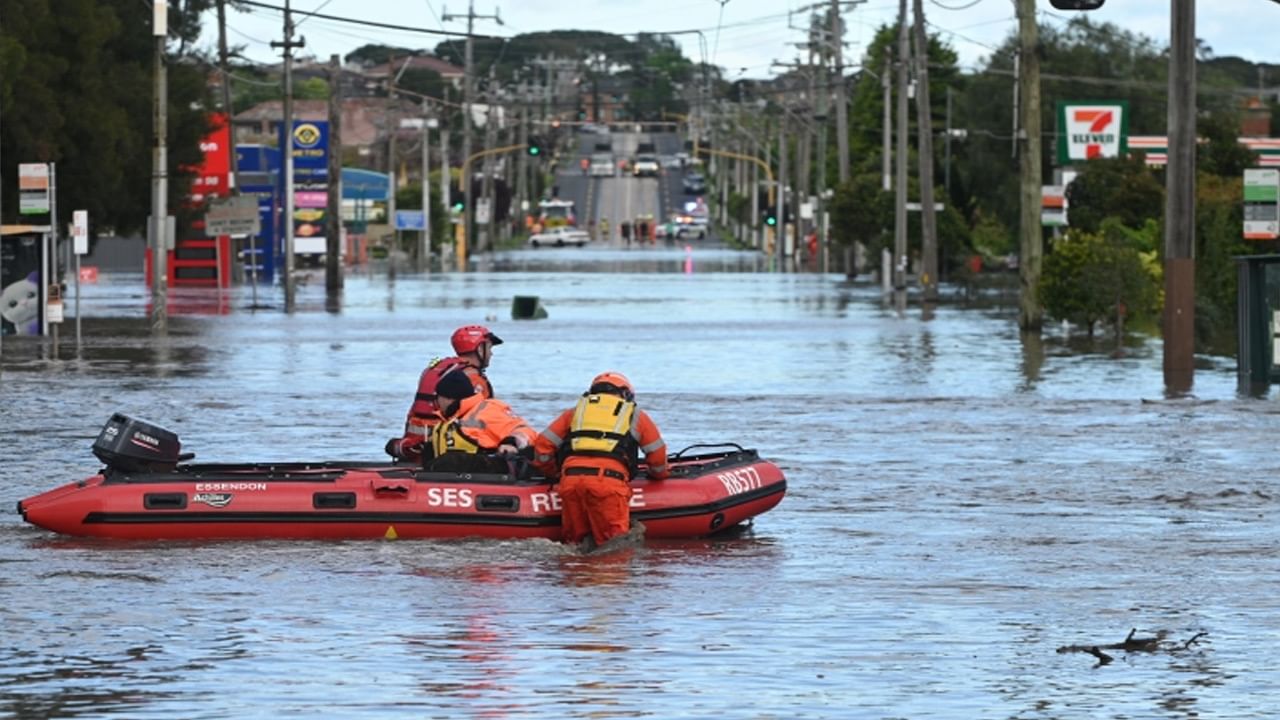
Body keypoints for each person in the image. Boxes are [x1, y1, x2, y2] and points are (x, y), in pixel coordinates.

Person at [533, 371, 670, 548]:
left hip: (571, 482)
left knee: (574, 546)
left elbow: (542, 447)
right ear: (626, 393)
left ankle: (576, 575)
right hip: (608, 483)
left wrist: (553, 473)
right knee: (614, 549)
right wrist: (660, 475)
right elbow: (657, 456)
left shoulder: (575, 413)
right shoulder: (633, 414)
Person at [385, 324, 504, 463]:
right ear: (479, 348)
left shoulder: (435, 369)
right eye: (489, 348)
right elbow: (486, 419)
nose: (491, 354)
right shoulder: (473, 378)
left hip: (415, 448)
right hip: (445, 453)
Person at [425, 368, 536, 475]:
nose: (437, 403)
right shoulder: (446, 421)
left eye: (438, 397)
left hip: (489, 471)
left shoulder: (487, 410)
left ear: (447, 398)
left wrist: (511, 442)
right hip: (453, 479)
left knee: (452, 460)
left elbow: (524, 430)